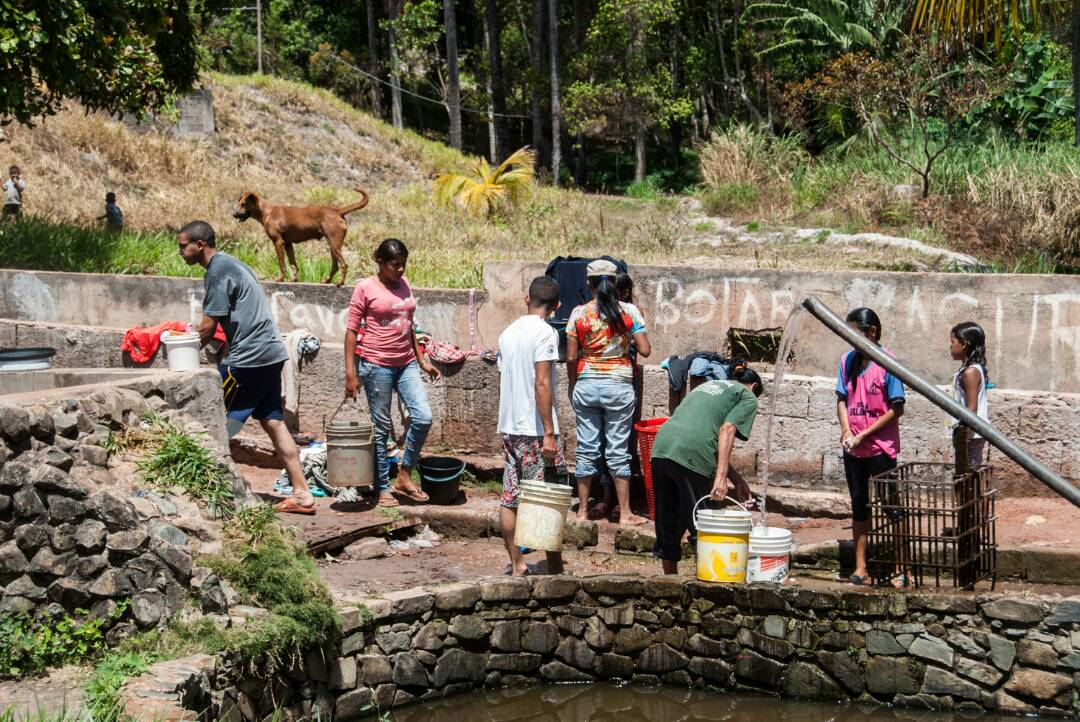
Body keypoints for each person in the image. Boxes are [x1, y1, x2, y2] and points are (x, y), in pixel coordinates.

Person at [177, 220, 314, 515]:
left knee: (215, 423)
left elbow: (207, 327)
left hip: (249, 359)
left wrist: (180, 354)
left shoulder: (217, 271)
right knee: (273, 422)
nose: (180, 252)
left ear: (199, 244)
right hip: (271, 354)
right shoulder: (231, 264)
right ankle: (302, 494)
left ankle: (210, 491)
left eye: (182, 246)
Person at [344, 238, 440, 507]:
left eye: (403, 264)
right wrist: (351, 374)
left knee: (422, 417)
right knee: (382, 426)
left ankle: (405, 476)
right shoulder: (365, 287)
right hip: (376, 364)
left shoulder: (405, 283)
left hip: (406, 362)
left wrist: (422, 360)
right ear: (381, 262)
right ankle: (382, 487)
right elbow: (351, 331)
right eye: (394, 264)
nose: (400, 269)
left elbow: (408, 324)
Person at [649, 368, 762, 574]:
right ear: (754, 387)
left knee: (668, 521)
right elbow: (727, 429)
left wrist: (736, 480)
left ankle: (669, 583)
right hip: (693, 454)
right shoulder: (747, 395)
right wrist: (720, 478)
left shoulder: (707, 387)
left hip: (661, 448)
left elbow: (700, 432)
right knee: (705, 523)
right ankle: (708, 585)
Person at [566, 259, 651, 526]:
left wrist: (573, 384)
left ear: (588, 284)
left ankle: (581, 513)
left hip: (587, 384)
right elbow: (645, 350)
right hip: (619, 386)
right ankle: (625, 513)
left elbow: (570, 357)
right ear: (615, 283)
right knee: (618, 450)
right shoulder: (629, 312)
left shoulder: (578, 314)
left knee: (587, 448)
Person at [497, 275, 565, 576]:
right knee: (546, 497)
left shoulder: (507, 333)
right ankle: (554, 568)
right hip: (536, 431)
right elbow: (541, 382)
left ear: (528, 298)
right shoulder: (547, 334)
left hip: (510, 428)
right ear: (557, 306)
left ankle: (517, 564)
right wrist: (549, 431)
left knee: (510, 497)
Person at [836, 307, 905, 585]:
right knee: (859, 505)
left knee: (892, 507)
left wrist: (864, 434)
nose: (850, 340)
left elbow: (896, 408)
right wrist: (846, 430)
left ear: (871, 333)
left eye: (854, 333)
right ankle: (860, 567)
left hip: (879, 447)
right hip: (853, 448)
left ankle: (902, 567)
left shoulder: (888, 364)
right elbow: (841, 399)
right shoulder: (847, 361)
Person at [950, 321, 989, 468]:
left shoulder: (970, 372)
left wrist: (963, 437)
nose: (951, 346)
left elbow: (972, 409)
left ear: (964, 344)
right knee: (968, 472)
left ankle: (975, 492)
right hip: (970, 432)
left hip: (971, 434)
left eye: (952, 342)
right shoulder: (969, 369)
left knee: (970, 472)